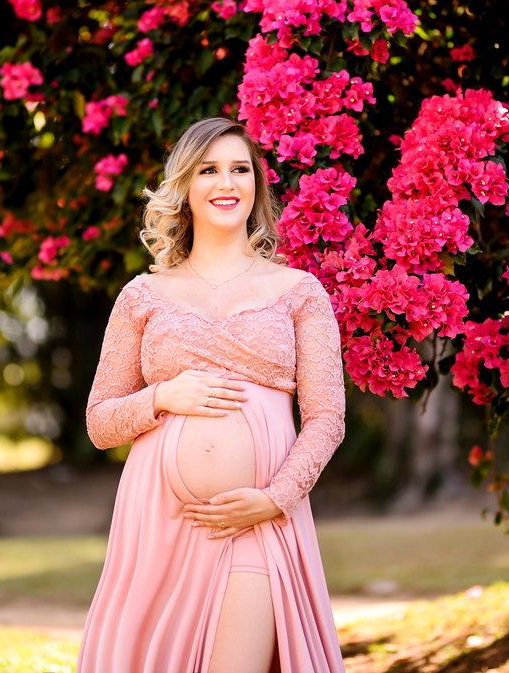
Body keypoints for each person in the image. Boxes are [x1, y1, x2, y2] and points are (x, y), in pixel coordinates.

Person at [75, 116, 347, 673]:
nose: (227, 182)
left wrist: (277, 498)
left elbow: (327, 417)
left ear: (256, 186)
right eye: (209, 170)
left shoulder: (299, 292)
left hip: (258, 521)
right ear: (186, 188)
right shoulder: (142, 295)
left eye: (240, 169)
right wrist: (162, 397)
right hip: (160, 523)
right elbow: (100, 422)